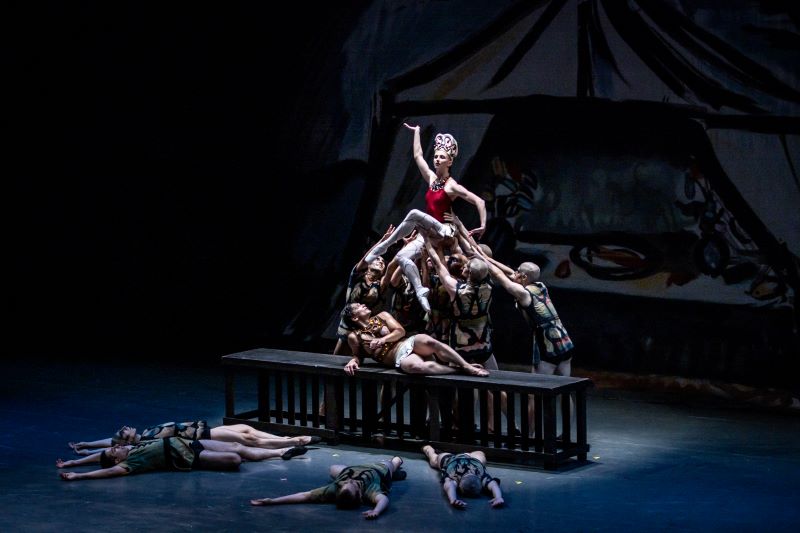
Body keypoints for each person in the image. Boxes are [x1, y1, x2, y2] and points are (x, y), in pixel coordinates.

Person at [364, 123, 487, 313]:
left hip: (445, 229)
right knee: (401, 257)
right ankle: (420, 289)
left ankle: (385, 245)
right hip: (428, 228)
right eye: (436, 156)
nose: (437, 159)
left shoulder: (451, 186)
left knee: (414, 214)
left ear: (450, 162)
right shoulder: (431, 179)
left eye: (442, 157)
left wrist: (482, 225)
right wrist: (417, 133)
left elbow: (480, 201)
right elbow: (417, 156)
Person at [474, 247, 575, 432]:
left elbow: (500, 276)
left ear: (523, 277)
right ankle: (567, 432)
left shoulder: (523, 294)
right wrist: (484, 256)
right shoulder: (540, 286)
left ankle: (528, 436)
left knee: (534, 396)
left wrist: (483, 261)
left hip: (548, 347)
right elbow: (508, 271)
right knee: (565, 389)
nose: (515, 273)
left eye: (518, 272)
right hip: (564, 342)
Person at [340, 303, 489, 377]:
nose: (363, 305)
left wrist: (383, 340)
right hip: (398, 357)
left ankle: (466, 365)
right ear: (354, 317)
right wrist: (354, 360)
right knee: (415, 368)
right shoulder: (354, 337)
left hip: (407, 343)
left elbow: (400, 331)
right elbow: (358, 355)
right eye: (358, 306)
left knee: (429, 341)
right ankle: (458, 370)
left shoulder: (382, 316)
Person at [58, 437, 310, 480]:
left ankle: (280, 452)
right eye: (115, 452)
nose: (118, 447)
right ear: (117, 460)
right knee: (234, 459)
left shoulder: (130, 448)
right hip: (187, 457)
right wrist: (79, 475)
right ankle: (275, 453)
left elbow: (104, 449)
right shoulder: (129, 463)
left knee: (235, 446)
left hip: (188, 443)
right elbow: (108, 470)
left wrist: (73, 461)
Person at [250, 456, 406, 520]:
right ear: (360, 496)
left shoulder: (335, 488)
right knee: (391, 463)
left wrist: (272, 501)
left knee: (332, 468)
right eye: (353, 484)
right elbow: (383, 499)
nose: (350, 482)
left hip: (349, 469)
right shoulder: (369, 490)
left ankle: (394, 471)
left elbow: (304, 495)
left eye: (347, 483)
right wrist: (376, 511)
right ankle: (396, 466)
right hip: (378, 469)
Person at [67, 420, 321, 458]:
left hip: (200, 426)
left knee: (246, 429)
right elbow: (111, 446)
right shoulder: (142, 442)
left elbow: (108, 442)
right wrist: (90, 453)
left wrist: (86, 444)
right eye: (123, 432)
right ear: (126, 442)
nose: (125, 428)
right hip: (202, 434)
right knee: (248, 439)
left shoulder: (143, 433)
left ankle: (290, 439)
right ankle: (295, 441)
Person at [422, 445, 504, 509]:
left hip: (470, 459)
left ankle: (427, 448)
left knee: (480, 454)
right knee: (434, 461)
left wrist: (498, 497)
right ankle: (427, 448)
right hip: (451, 459)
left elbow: (493, 485)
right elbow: (449, 486)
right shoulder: (454, 476)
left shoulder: (481, 475)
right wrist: (453, 499)